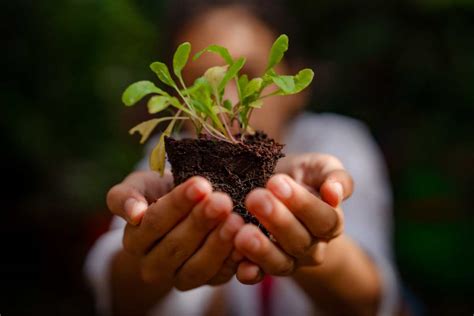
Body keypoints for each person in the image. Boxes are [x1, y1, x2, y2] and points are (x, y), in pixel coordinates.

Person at [85, 0, 400, 315]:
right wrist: (146, 248)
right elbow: (115, 292)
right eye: (199, 84)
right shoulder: (171, 160)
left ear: (293, 85)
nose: (227, 102)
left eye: (247, 74)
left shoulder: (336, 141)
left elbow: (372, 298)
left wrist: (316, 247)